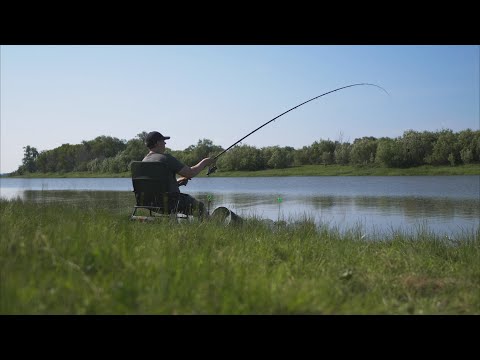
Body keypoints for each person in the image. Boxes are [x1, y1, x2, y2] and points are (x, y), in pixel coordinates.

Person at [142, 131, 214, 217]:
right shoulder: (165, 158)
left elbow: (156, 185)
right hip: (170, 202)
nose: (165, 143)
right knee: (200, 207)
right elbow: (190, 173)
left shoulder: (144, 161)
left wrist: (175, 183)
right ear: (157, 143)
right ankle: (208, 227)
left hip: (150, 202)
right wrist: (205, 162)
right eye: (163, 141)